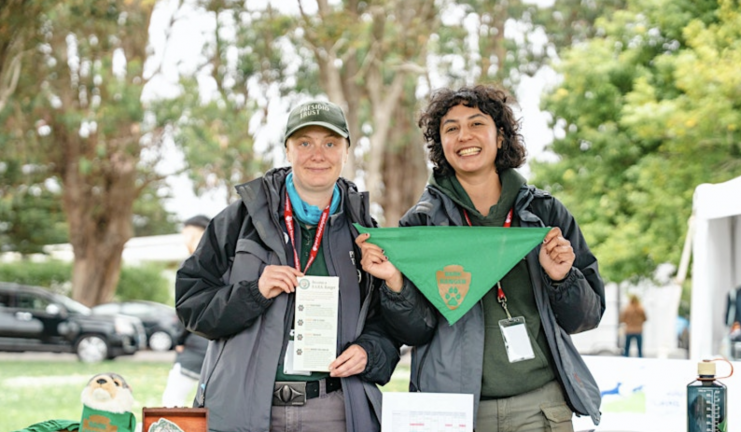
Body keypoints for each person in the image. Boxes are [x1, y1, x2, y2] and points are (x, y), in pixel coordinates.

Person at [356, 85, 605, 431]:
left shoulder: (545, 213)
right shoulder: (422, 223)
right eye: (451, 128)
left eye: (476, 124)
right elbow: (415, 332)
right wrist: (396, 284)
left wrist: (562, 279)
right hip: (454, 413)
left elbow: (586, 318)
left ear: (500, 137)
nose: (464, 136)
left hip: (542, 409)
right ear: (440, 144)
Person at [175, 100, 401, 432]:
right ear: (287, 150)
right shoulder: (239, 220)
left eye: (330, 143)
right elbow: (191, 305)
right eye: (304, 142)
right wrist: (254, 293)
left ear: (346, 152)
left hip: (334, 411)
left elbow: (388, 326)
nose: (317, 153)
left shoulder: (365, 228)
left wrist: (370, 351)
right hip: (245, 410)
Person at [161, 215, 211, 407]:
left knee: (171, 403)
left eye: (185, 235)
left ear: (193, 235)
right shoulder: (226, 264)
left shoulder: (191, 265)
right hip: (216, 349)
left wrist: (179, 340)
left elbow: (185, 309)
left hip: (193, 347)